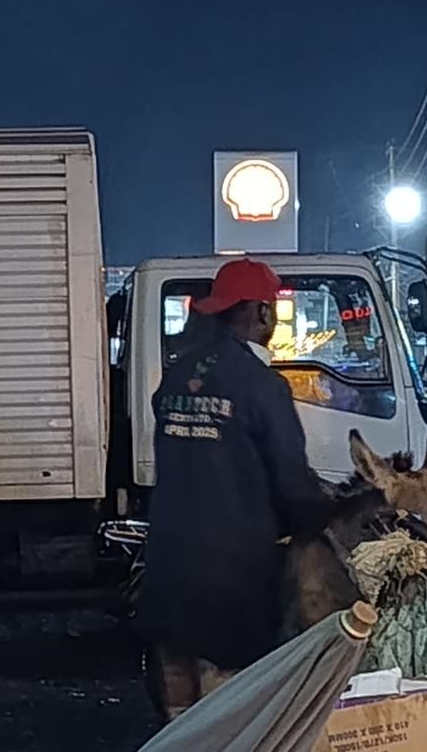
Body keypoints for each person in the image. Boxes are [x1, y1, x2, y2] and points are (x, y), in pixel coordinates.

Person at [135, 255, 338, 716]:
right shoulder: (261, 386)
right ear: (258, 311)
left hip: (167, 583)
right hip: (229, 595)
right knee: (225, 731)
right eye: (271, 309)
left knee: (176, 728)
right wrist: (329, 518)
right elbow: (292, 486)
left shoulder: (176, 378)